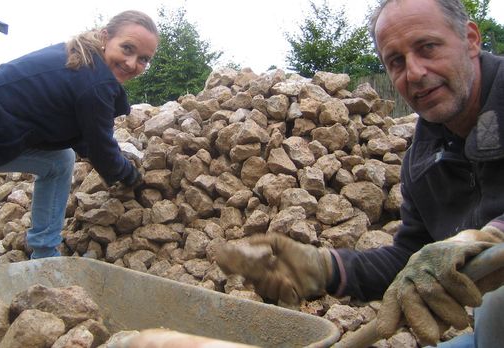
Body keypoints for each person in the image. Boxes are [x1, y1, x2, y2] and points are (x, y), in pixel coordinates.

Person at [216, 0, 504, 346]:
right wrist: (324, 267)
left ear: (471, 39)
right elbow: (410, 259)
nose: (414, 72)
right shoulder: (424, 161)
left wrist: (486, 238)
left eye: (428, 47)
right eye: (395, 61)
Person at [0, 10, 159, 280]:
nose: (132, 63)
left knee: (58, 161)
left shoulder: (82, 61)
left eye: (143, 59)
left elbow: (80, 133)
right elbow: (102, 150)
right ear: (106, 37)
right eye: (127, 48)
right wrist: (132, 179)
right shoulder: (94, 80)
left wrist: (105, 158)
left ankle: (45, 257)